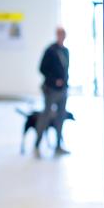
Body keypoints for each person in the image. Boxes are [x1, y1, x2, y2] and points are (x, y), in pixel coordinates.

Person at [34, 26, 70, 157]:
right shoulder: (50, 51)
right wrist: (54, 80)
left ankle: (58, 145)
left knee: (61, 117)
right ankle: (37, 143)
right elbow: (42, 69)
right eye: (60, 34)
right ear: (57, 35)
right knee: (46, 116)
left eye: (63, 34)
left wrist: (65, 82)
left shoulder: (65, 51)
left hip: (63, 90)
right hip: (51, 89)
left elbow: (65, 69)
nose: (62, 36)